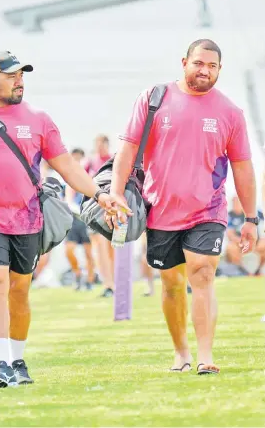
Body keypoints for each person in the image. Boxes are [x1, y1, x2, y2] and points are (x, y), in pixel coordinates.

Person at [0, 50, 131, 389]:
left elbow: (67, 167)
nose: (20, 81)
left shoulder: (39, 119)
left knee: (19, 290)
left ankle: (17, 359)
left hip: (28, 219)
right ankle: (1, 364)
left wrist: (100, 195)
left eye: (22, 75)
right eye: (12, 75)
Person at [107, 39, 258, 374]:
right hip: (160, 209)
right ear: (184, 62)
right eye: (199, 63)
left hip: (208, 209)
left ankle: (206, 357)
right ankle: (181, 352)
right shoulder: (154, 99)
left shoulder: (230, 112)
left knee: (202, 272)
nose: (205, 71)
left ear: (220, 70)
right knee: (172, 284)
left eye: (212, 66)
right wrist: (116, 192)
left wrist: (250, 217)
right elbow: (128, 149)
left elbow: (243, 167)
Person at [85, 135, 115, 297]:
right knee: (99, 247)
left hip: (112, 208)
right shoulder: (90, 162)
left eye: (102, 144)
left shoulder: (112, 159)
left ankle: (113, 282)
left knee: (112, 249)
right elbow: (77, 180)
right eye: (97, 144)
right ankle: (107, 284)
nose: (99, 147)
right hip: (95, 209)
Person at [64, 148, 95, 291]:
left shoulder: (89, 177)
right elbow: (68, 199)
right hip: (73, 218)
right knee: (69, 250)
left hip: (86, 218)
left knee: (89, 253)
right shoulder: (67, 177)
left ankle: (89, 280)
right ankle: (77, 274)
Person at [226, 196, 265, 276]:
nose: (236, 205)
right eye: (234, 203)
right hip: (239, 242)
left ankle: (258, 270)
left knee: (263, 245)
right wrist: (242, 241)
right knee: (231, 248)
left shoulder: (256, 212)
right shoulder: (230, 216)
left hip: (255, 240)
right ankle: (244, 272)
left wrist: (262, 238)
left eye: (238, 202)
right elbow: (230, 234)